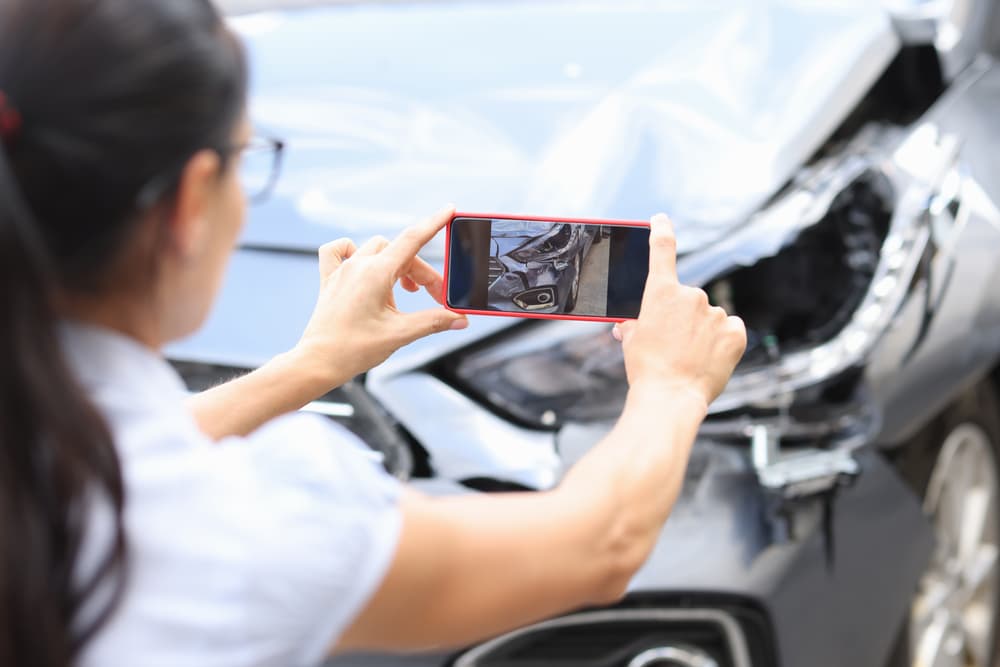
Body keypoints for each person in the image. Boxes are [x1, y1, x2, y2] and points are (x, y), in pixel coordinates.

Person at [0, 0, 747, 665]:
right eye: (245, 160)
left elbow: (108, 457)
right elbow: (597, 545)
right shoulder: (248, 523)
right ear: (190, 202)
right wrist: (672, 386)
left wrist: (310, 364)